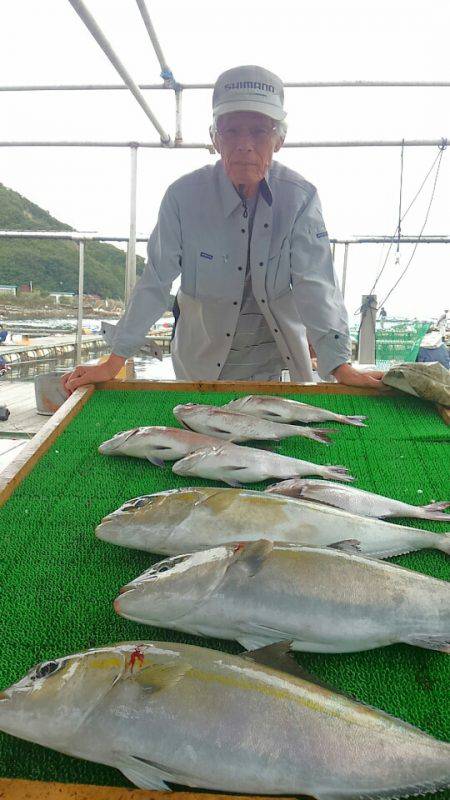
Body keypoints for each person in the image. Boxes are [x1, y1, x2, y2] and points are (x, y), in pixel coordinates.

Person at [63, 65, 385, 395]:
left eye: (259, 131)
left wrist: (340, 365)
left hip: (275, 367)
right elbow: (155, 281)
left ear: (279, 140)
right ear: (215, 139)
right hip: (200, 367)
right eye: (231, 131)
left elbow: (315, 283)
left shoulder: (301, 198)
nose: (244, 144)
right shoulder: (181, 197)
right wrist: (114, 361)